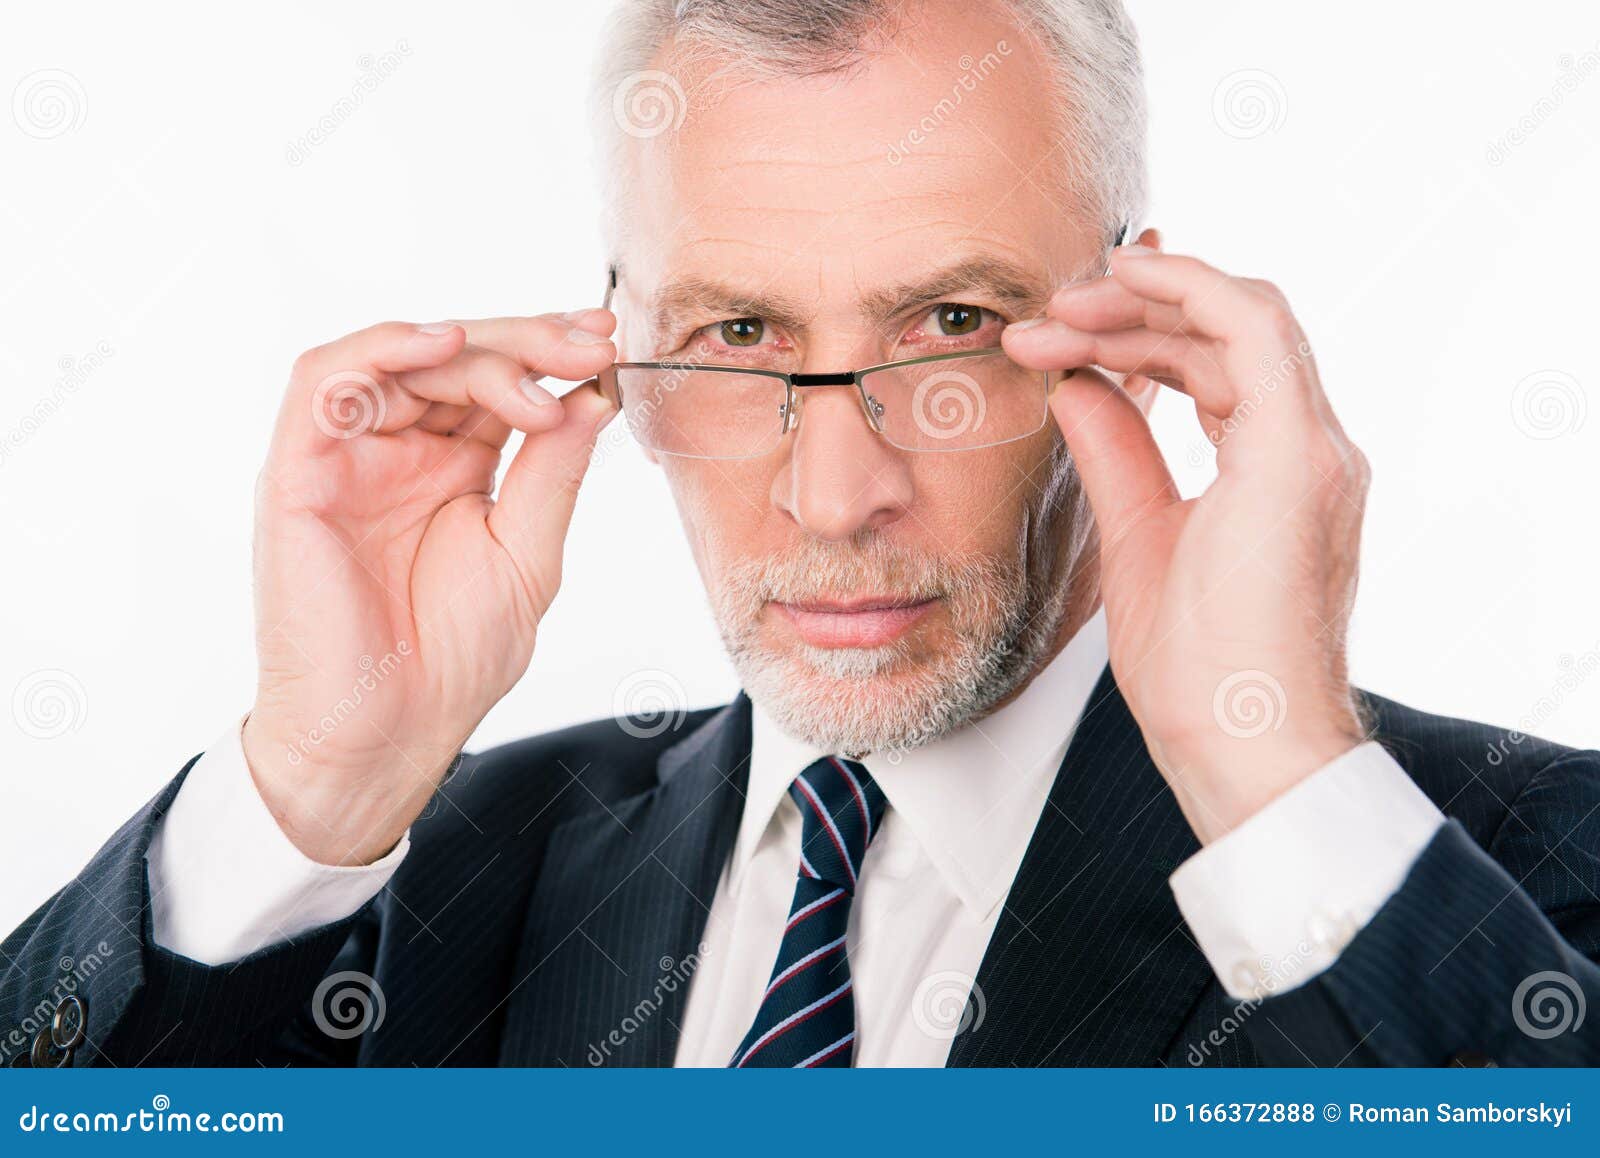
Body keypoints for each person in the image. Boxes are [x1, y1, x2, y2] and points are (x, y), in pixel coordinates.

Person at [5, 0, 1597, 1069]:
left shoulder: (1524, 888)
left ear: (1134, 333)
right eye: (742, 330)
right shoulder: (410, 888)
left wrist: (1280, 785)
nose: (838, 494)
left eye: (952, 324)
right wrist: (311, 792)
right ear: (608, 346)